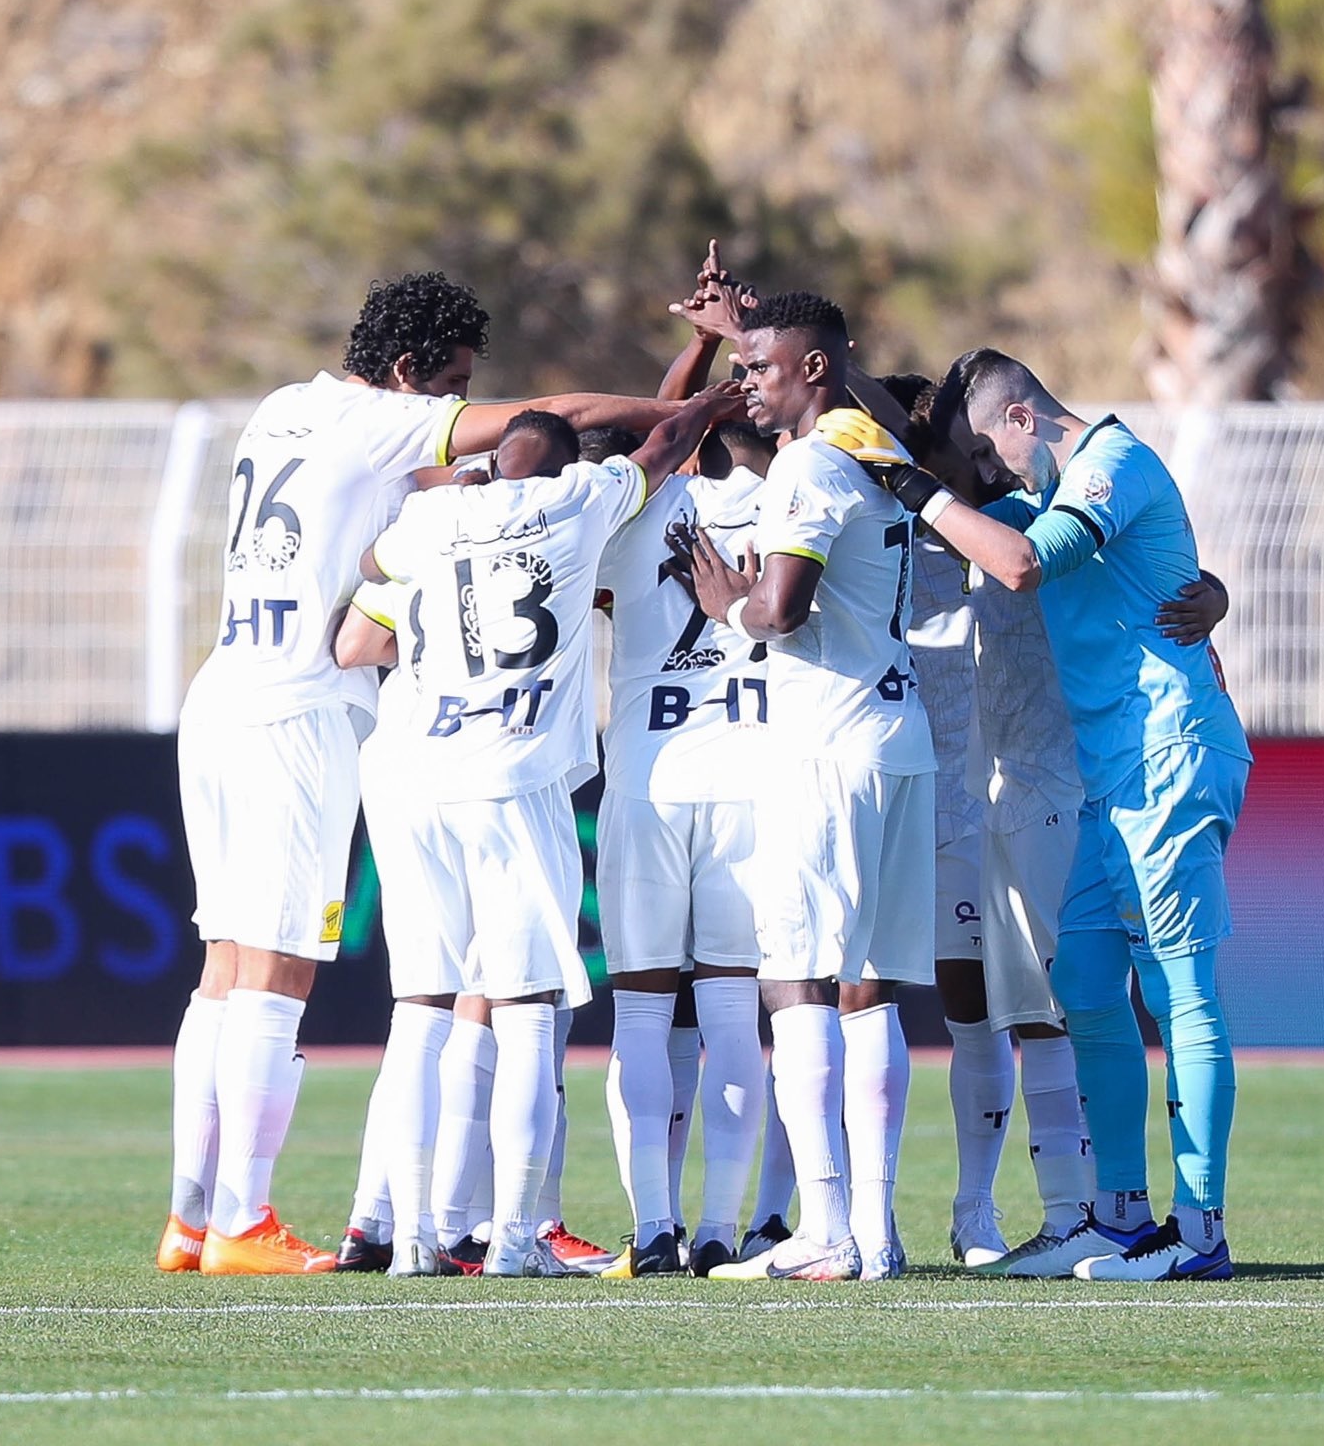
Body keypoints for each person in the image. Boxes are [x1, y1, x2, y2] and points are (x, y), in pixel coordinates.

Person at [160, 271, 680, 1278]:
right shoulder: (376, 422)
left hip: (220, 690)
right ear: (407, 372)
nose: (460, 417)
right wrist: (688, 406)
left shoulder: (284, 409)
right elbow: (554, 418)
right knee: (279, 967)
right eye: (448, 386)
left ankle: (193, 1214)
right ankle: (242, 1217)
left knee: (224, 964)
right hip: (299, 709)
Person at [853, 350, 1253, 1282]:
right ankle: (1115, 1220)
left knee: (1179, 992)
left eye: (993, 452)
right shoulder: (1049, 487)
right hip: (1107, 776)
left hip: (1169, 750)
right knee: (1082, 985)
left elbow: (1023, 565)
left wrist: (918, 491)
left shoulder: (1111, 466)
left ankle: (1200, 1234)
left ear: (1023, 417)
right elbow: (947, 469)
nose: (992, 476)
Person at [336, 386, 741, 1276]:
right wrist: (711, 399)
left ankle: (412, 1240)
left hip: (417, 781)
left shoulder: (437, 513)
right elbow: (668, 440)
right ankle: (517, 1238)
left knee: (421, 1011)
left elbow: (370, 561)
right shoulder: (580, 498)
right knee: (525, 1014)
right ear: (565, 465)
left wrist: (466, 496)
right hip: (512, 777)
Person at [681, 292, 937, 1283]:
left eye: (765, 365)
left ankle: (827, 1227)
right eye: (745, 365)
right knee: (868, 989)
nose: (749, 382)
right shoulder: (876, 458)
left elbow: (781, 612)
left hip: (826, 748)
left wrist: (730, 604)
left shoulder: (808, 463)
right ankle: (874, 1232)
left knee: (795, 976)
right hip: (896, 738)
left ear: (818, 370)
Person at [595, 412, 774, 1277]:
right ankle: (720, 1230)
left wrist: (698, 360)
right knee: (736, 1015)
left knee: (640, 1014)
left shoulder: (630, 517)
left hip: (646, 786)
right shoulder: (783, 503)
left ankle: (655, 1230)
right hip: (749, 781)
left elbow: (659, 430)